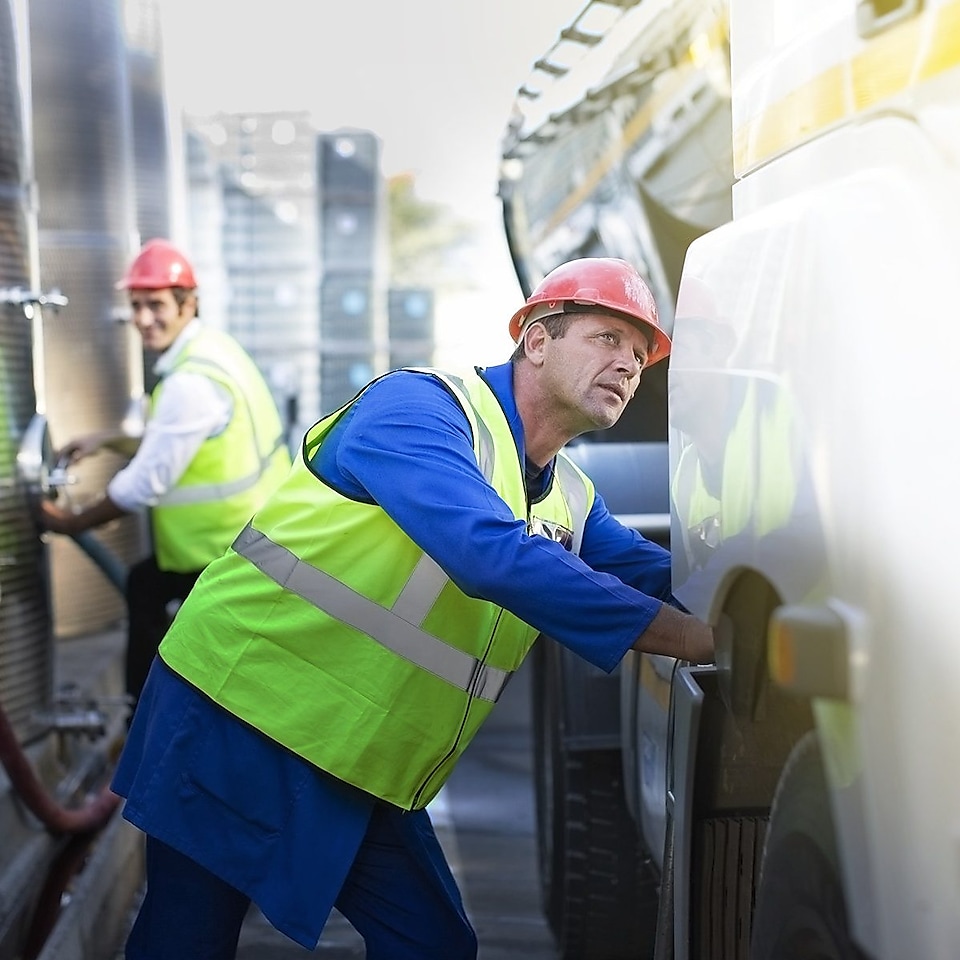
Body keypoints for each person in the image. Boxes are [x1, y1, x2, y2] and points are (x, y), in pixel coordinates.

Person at [110, 256, 718, 960]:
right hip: (238, 712)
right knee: (187, 938)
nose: (627, 365)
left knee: (432, 945)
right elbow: (487, 554)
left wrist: (757, 606)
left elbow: (658, 574)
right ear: (537, 341)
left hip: (350, 751)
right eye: (607, 339)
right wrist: (689, 638)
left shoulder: (570, 497)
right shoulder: (417, 411)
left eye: (640, 355)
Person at [38, 238, 292, 706]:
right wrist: (108, 441)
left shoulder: (190, 383)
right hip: (255, 541)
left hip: (224, 553)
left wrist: (68, 524)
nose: (142, 318)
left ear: (187, 303)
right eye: (135, 306)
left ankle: (141, 723)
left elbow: (145, 484)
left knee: (149, 601)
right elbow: (183, 441)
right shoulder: (215, 352)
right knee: (146, 589)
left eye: (155, 305)